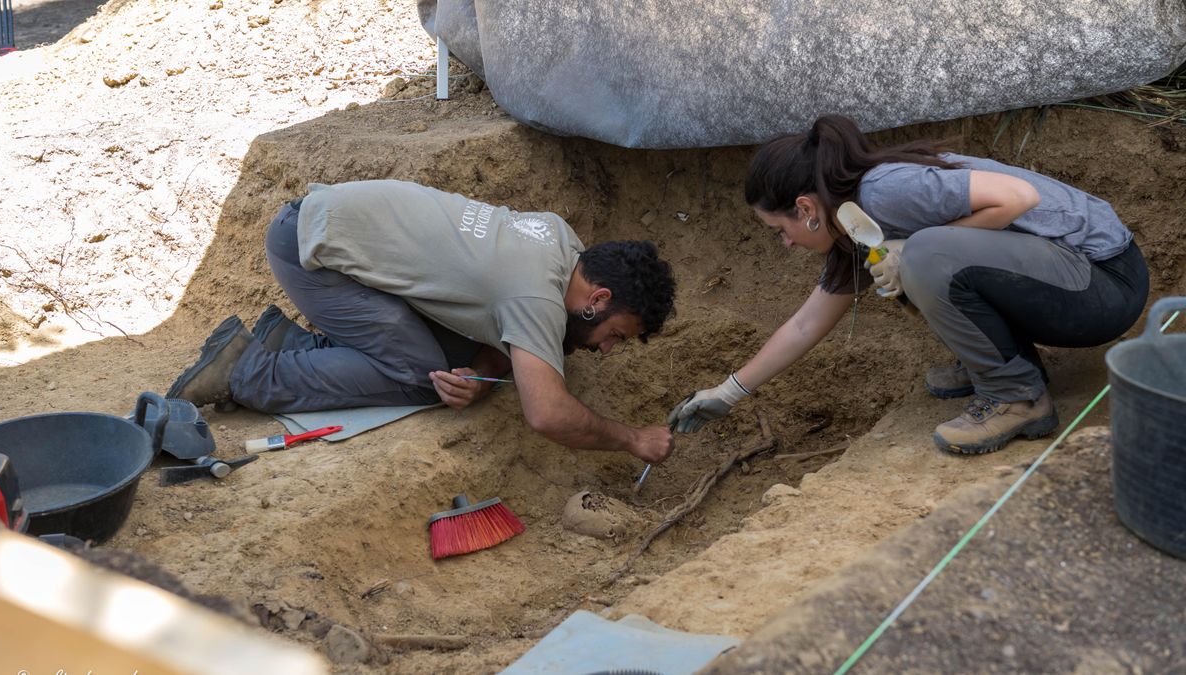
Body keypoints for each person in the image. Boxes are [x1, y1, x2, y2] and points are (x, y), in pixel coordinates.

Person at [668, 114, 1148, 455]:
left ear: (806, 208)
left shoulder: (884, 191)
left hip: (1103, 285)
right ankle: (1005, 363)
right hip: (1069, 285)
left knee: (917, 257)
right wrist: (728, 393)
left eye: (781, 230)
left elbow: (1018, 197)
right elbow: (806, 323)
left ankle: (1016, 396)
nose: (786, 244)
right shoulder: (854, 224)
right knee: (896, 262)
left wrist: (913, 248)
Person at [167, 179, 677, 464]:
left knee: (453, 366)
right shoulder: (535, 296)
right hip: (312, 255)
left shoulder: (560, 241)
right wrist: (632, 439)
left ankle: (291, 344)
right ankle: (244, 371)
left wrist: (479, 375)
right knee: (422, 379)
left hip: (323, 231)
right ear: (598, 298)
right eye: (614, 335)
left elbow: (500, 326)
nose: (606, 349)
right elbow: (546, 413)